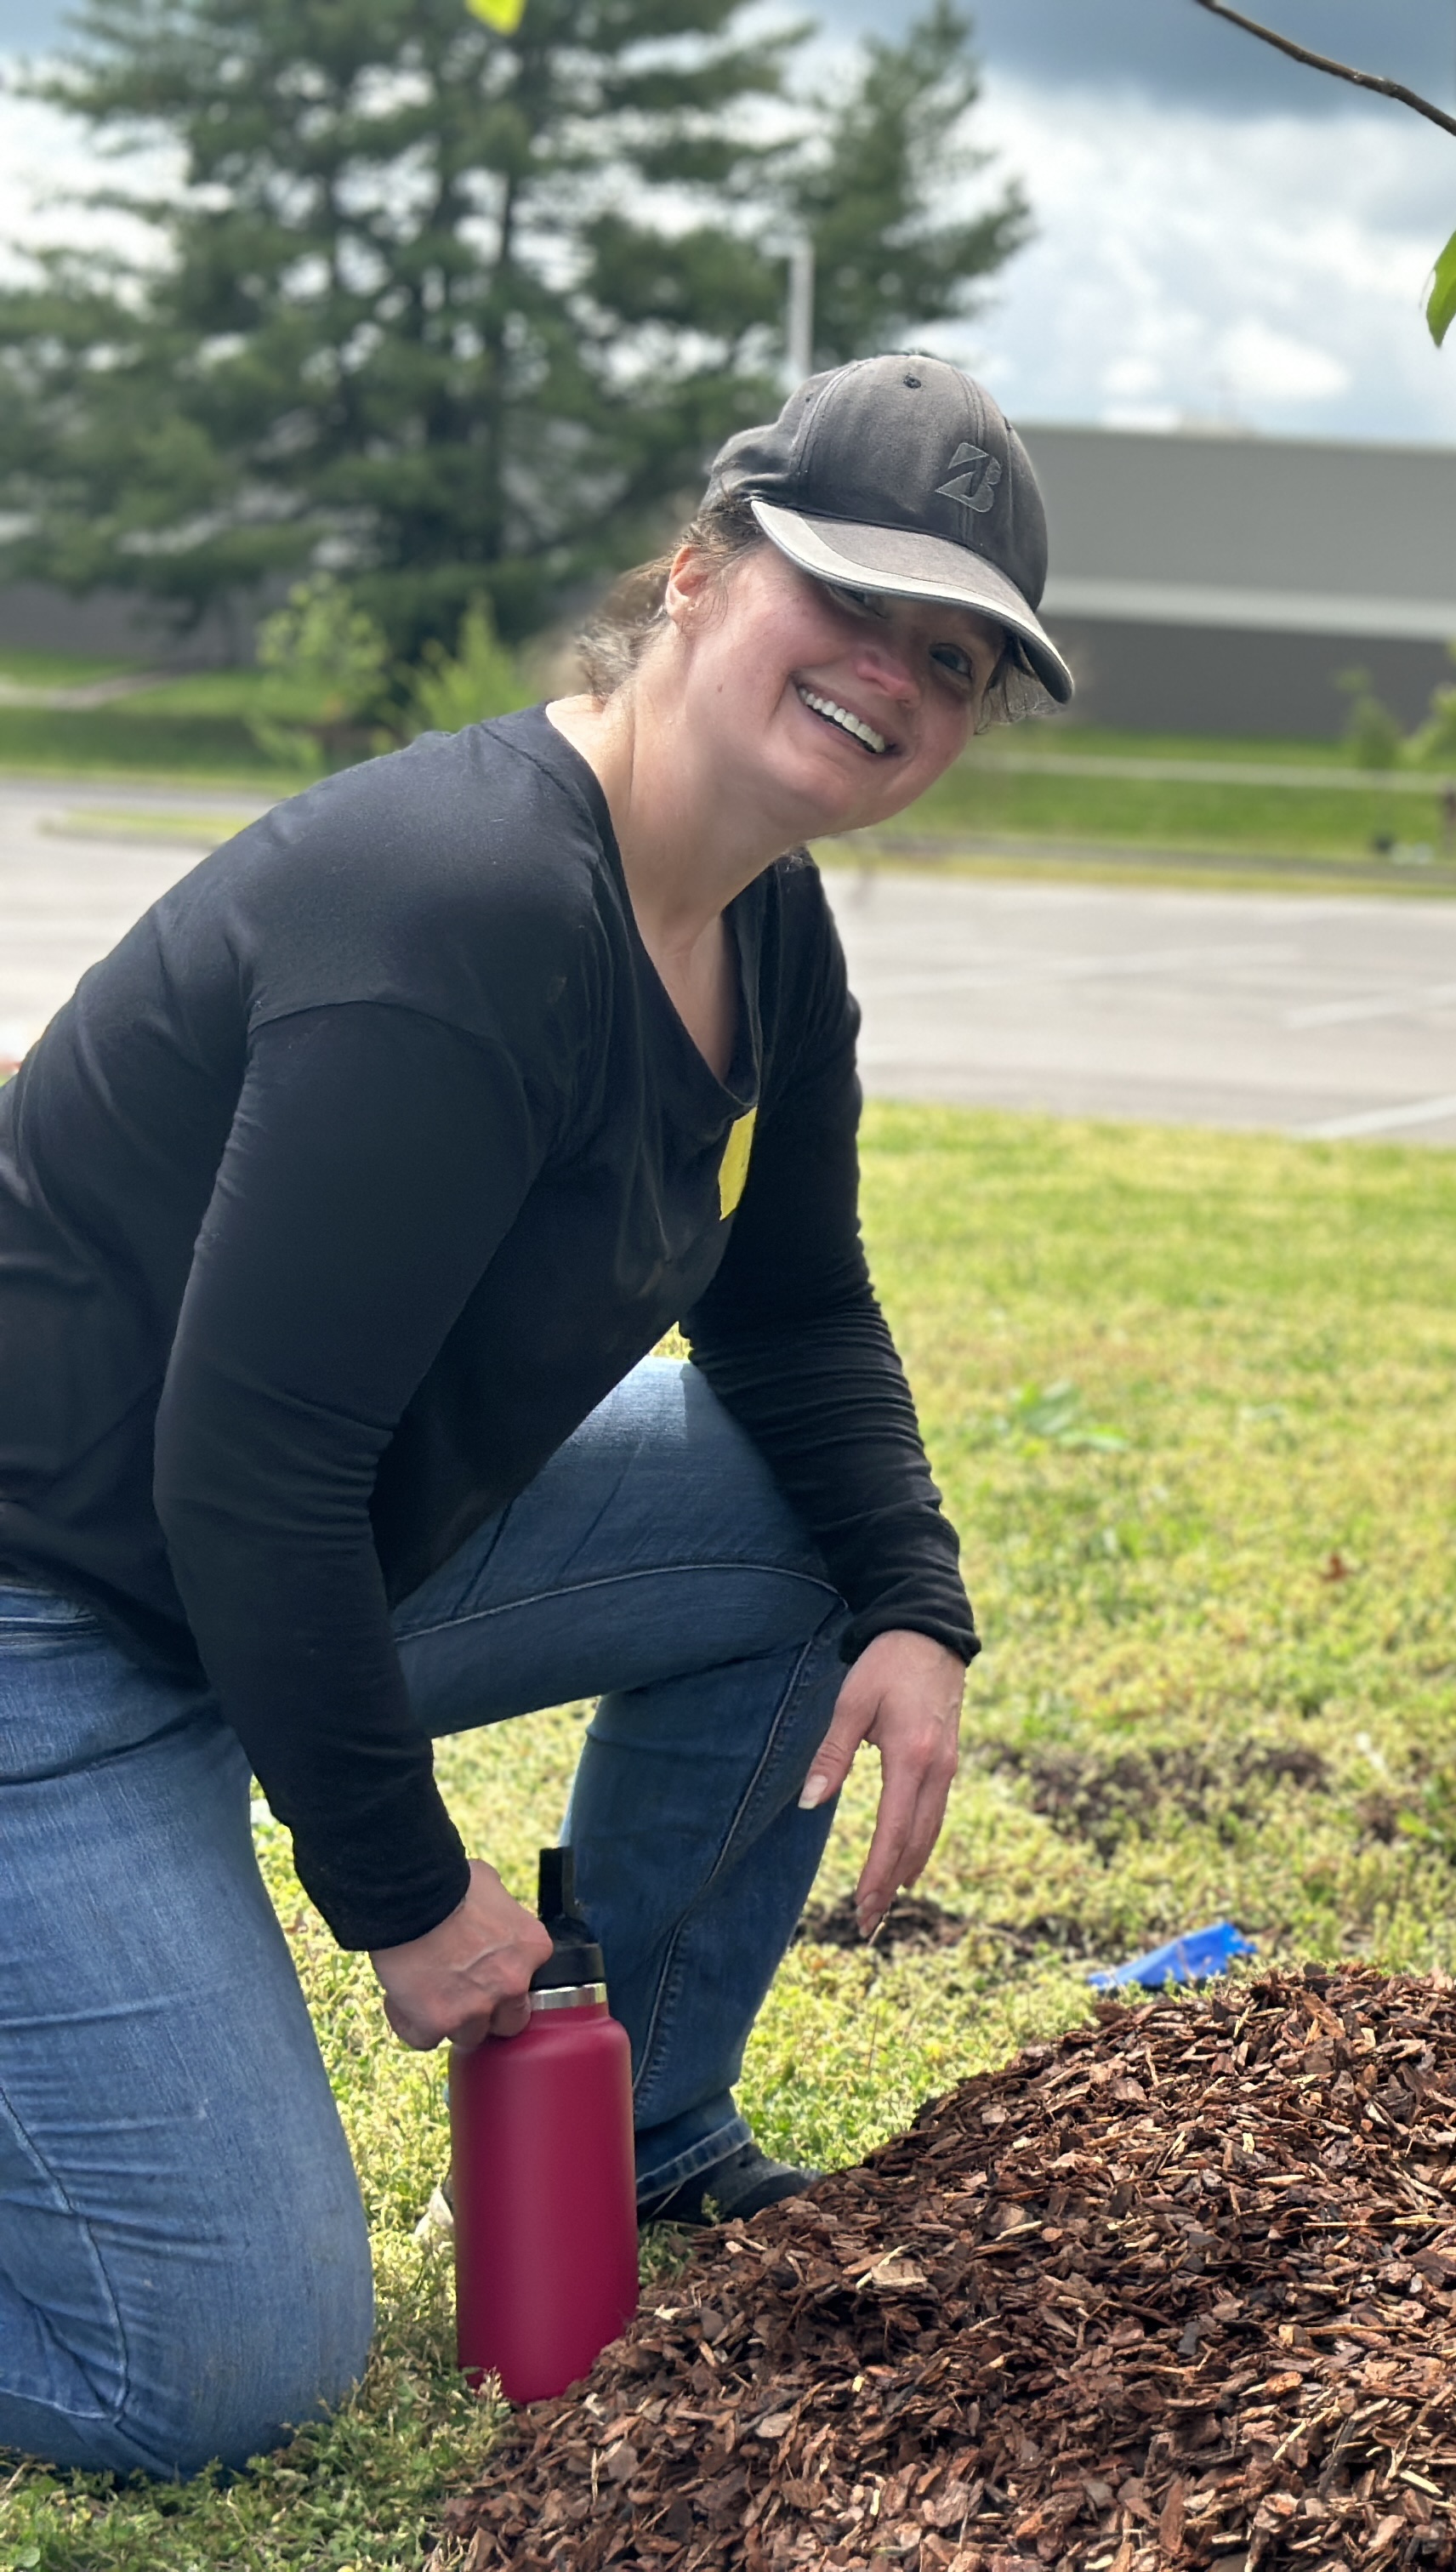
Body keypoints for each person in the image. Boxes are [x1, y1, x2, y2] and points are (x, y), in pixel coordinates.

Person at [0, 353, 1075, 2478]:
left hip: (304, 1567)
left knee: (805, 1540)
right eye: (847, 598)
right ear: (694, 575)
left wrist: (914, 1604)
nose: (893, 676)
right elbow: (249, 1467)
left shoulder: (771, 932)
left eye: (951, 659)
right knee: (212, 2372)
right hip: (57, 1615)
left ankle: (650, 2125)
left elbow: (797, 1309)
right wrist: (405, 1895)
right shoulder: (458, 911)